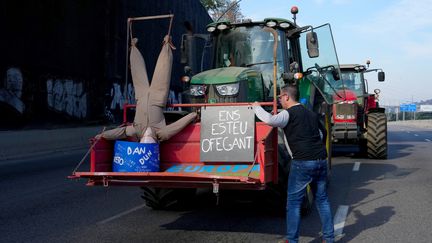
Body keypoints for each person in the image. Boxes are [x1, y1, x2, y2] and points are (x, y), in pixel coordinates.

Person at [252, 84, 334, 243]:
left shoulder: (288, 114)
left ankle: (292, 239)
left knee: (294, 204)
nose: (279, 101)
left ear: (287, 97)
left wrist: (256, 107)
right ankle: (329, 239)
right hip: (320, 161)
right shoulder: (310, 113)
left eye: (280, 98)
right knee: (322, 200)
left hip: (302, 163)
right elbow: (322, 133)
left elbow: (270, 120)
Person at [97, 36, 197, 143]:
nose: (147, 138)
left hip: (141, 96)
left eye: (144, 140)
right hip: (158, 97)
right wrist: (193, 115)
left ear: (140, 140)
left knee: (137, 71)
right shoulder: (162, 133)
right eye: (150, 141)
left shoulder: (136, 131)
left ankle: (134, 48)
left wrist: (103, 135)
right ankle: (166, 44)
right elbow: (178, 125)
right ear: (155, 141)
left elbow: (120, 132)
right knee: (163, 69)